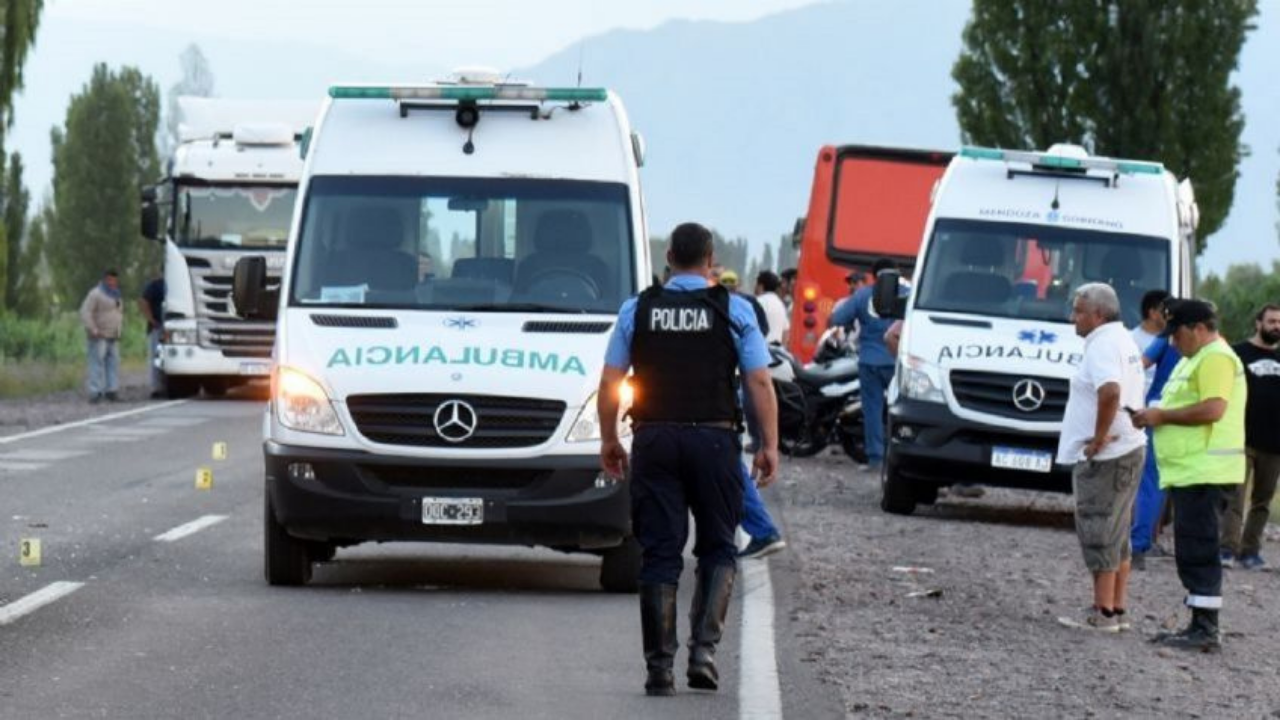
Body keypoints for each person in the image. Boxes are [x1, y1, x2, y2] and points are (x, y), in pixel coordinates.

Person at [598, 222, 779, 697]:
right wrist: (769, 444)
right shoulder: (734, 310)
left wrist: (607, 440)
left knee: (659, 550)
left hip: (654, 438)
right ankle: (703, 654)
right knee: (718, 546)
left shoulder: (637, 309)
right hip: (715, 442)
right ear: (709, 258)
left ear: (670, 258)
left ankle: (659, 668)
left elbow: (610, 381)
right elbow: (759, 382)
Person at [1133, 299, 1247, 653]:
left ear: (1199, 328)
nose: (1172, 342)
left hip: (1206, 472)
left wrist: (1161, 417)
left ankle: (1205, 629)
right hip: (1192, 472)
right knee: (1192, 548)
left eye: (1177, 333)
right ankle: (1199, 623)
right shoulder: (1197, 357)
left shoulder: (1215, 357)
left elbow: (1214, 408)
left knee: (1199, 549)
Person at [1055, 284, 1147, 632]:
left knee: (1099, 529)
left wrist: (1096, 439)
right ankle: (1117, 608)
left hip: (1110, 454)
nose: (1072, 318)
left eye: (1078, 311)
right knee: (1118, 531)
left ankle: (1102, 611)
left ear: (1098, 314)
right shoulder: (1122, 340)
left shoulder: (1103, 345)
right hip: (1128, 446)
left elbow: (1109, 391)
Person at [1220, 303, 1280, 570]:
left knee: (1262, 500)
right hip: (1241, 437)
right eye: (1271, 321)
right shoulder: (1237, 353)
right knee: (1234, 496)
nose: (1276, 326)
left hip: (1275, 442)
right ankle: (1227, 549)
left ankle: (1250, 551)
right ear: (1258, 323)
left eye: (1279, 322)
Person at [828, 258, 899, 470]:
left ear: (874, 275)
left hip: (869, 361)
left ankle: (876, 459)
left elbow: (837, 318)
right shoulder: (905, 294)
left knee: (873, 410)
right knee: (901, 411)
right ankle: (900, 458)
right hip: (897, 361)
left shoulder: (862, 295)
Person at [1130, 292, 1181, 569]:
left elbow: (1139, 367)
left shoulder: (1164, 340)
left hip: (1157, 411)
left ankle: (1138, 545)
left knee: (1150, 482)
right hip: (1188, 416)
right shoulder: (1207, 346)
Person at [79, 269, 124, 403]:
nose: (112, 282)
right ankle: (95, 392)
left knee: (113, 363)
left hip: (113, 335)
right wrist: (92, 328)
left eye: (114, 280)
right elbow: (85, 312)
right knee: (96, 363)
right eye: (109, 279)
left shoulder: (117, 295)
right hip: (99, 335)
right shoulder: (95, 294)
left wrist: (119, 330)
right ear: (104, 279)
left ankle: (111, 390)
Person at [139, 270, 167, 399]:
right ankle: (156, 387)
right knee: (157, 358)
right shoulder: (156, 285)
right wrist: (151, 320)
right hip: (157, 326)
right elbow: (143, 301)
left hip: (170, 328)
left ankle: (166, 386)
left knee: (166, 358)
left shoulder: (176, 284)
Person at [754, 270, 790, 346]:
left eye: (756, 284)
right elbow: (786, 332)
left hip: (761, 350)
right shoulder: (780, 305)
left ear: (761, 286)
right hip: (776, 352)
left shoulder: (757, 302)